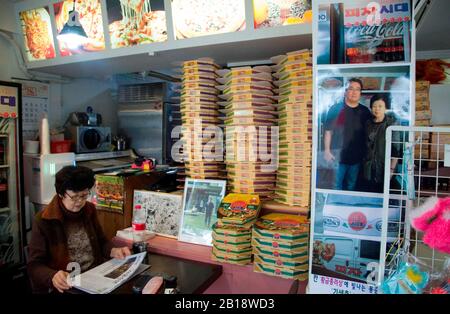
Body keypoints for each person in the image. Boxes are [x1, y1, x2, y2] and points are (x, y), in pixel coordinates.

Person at [27, 166, 131, 293]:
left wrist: (113, 250)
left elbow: (101, 241)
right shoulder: (44, 220)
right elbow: (34, 266)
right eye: (74, 196)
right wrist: (52, 276)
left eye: (84, 195)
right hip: (68, 286)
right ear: (60, 194)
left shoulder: (89, 210)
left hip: (95, 277)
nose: (80, 201)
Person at [323, 78, 372, 191]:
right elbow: (328, 131)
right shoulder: (335, 109)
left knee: (352, 186)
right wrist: (326, 151)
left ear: (360, 93)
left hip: (356, 159)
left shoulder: (365, 112)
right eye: (351, 89)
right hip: (337, 157)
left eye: (357, 89)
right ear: (345, 91)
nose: (354, 92)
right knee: (336, 186)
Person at [363, 94, 400, 193]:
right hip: (369, 167)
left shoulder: (392, 124)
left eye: (380, 106)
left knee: (384, 193)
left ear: (385, 108)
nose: (377, 109)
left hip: (385, 167)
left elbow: (396, 149)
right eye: (374, 106)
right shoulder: (368, 123)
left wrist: (391, 169)